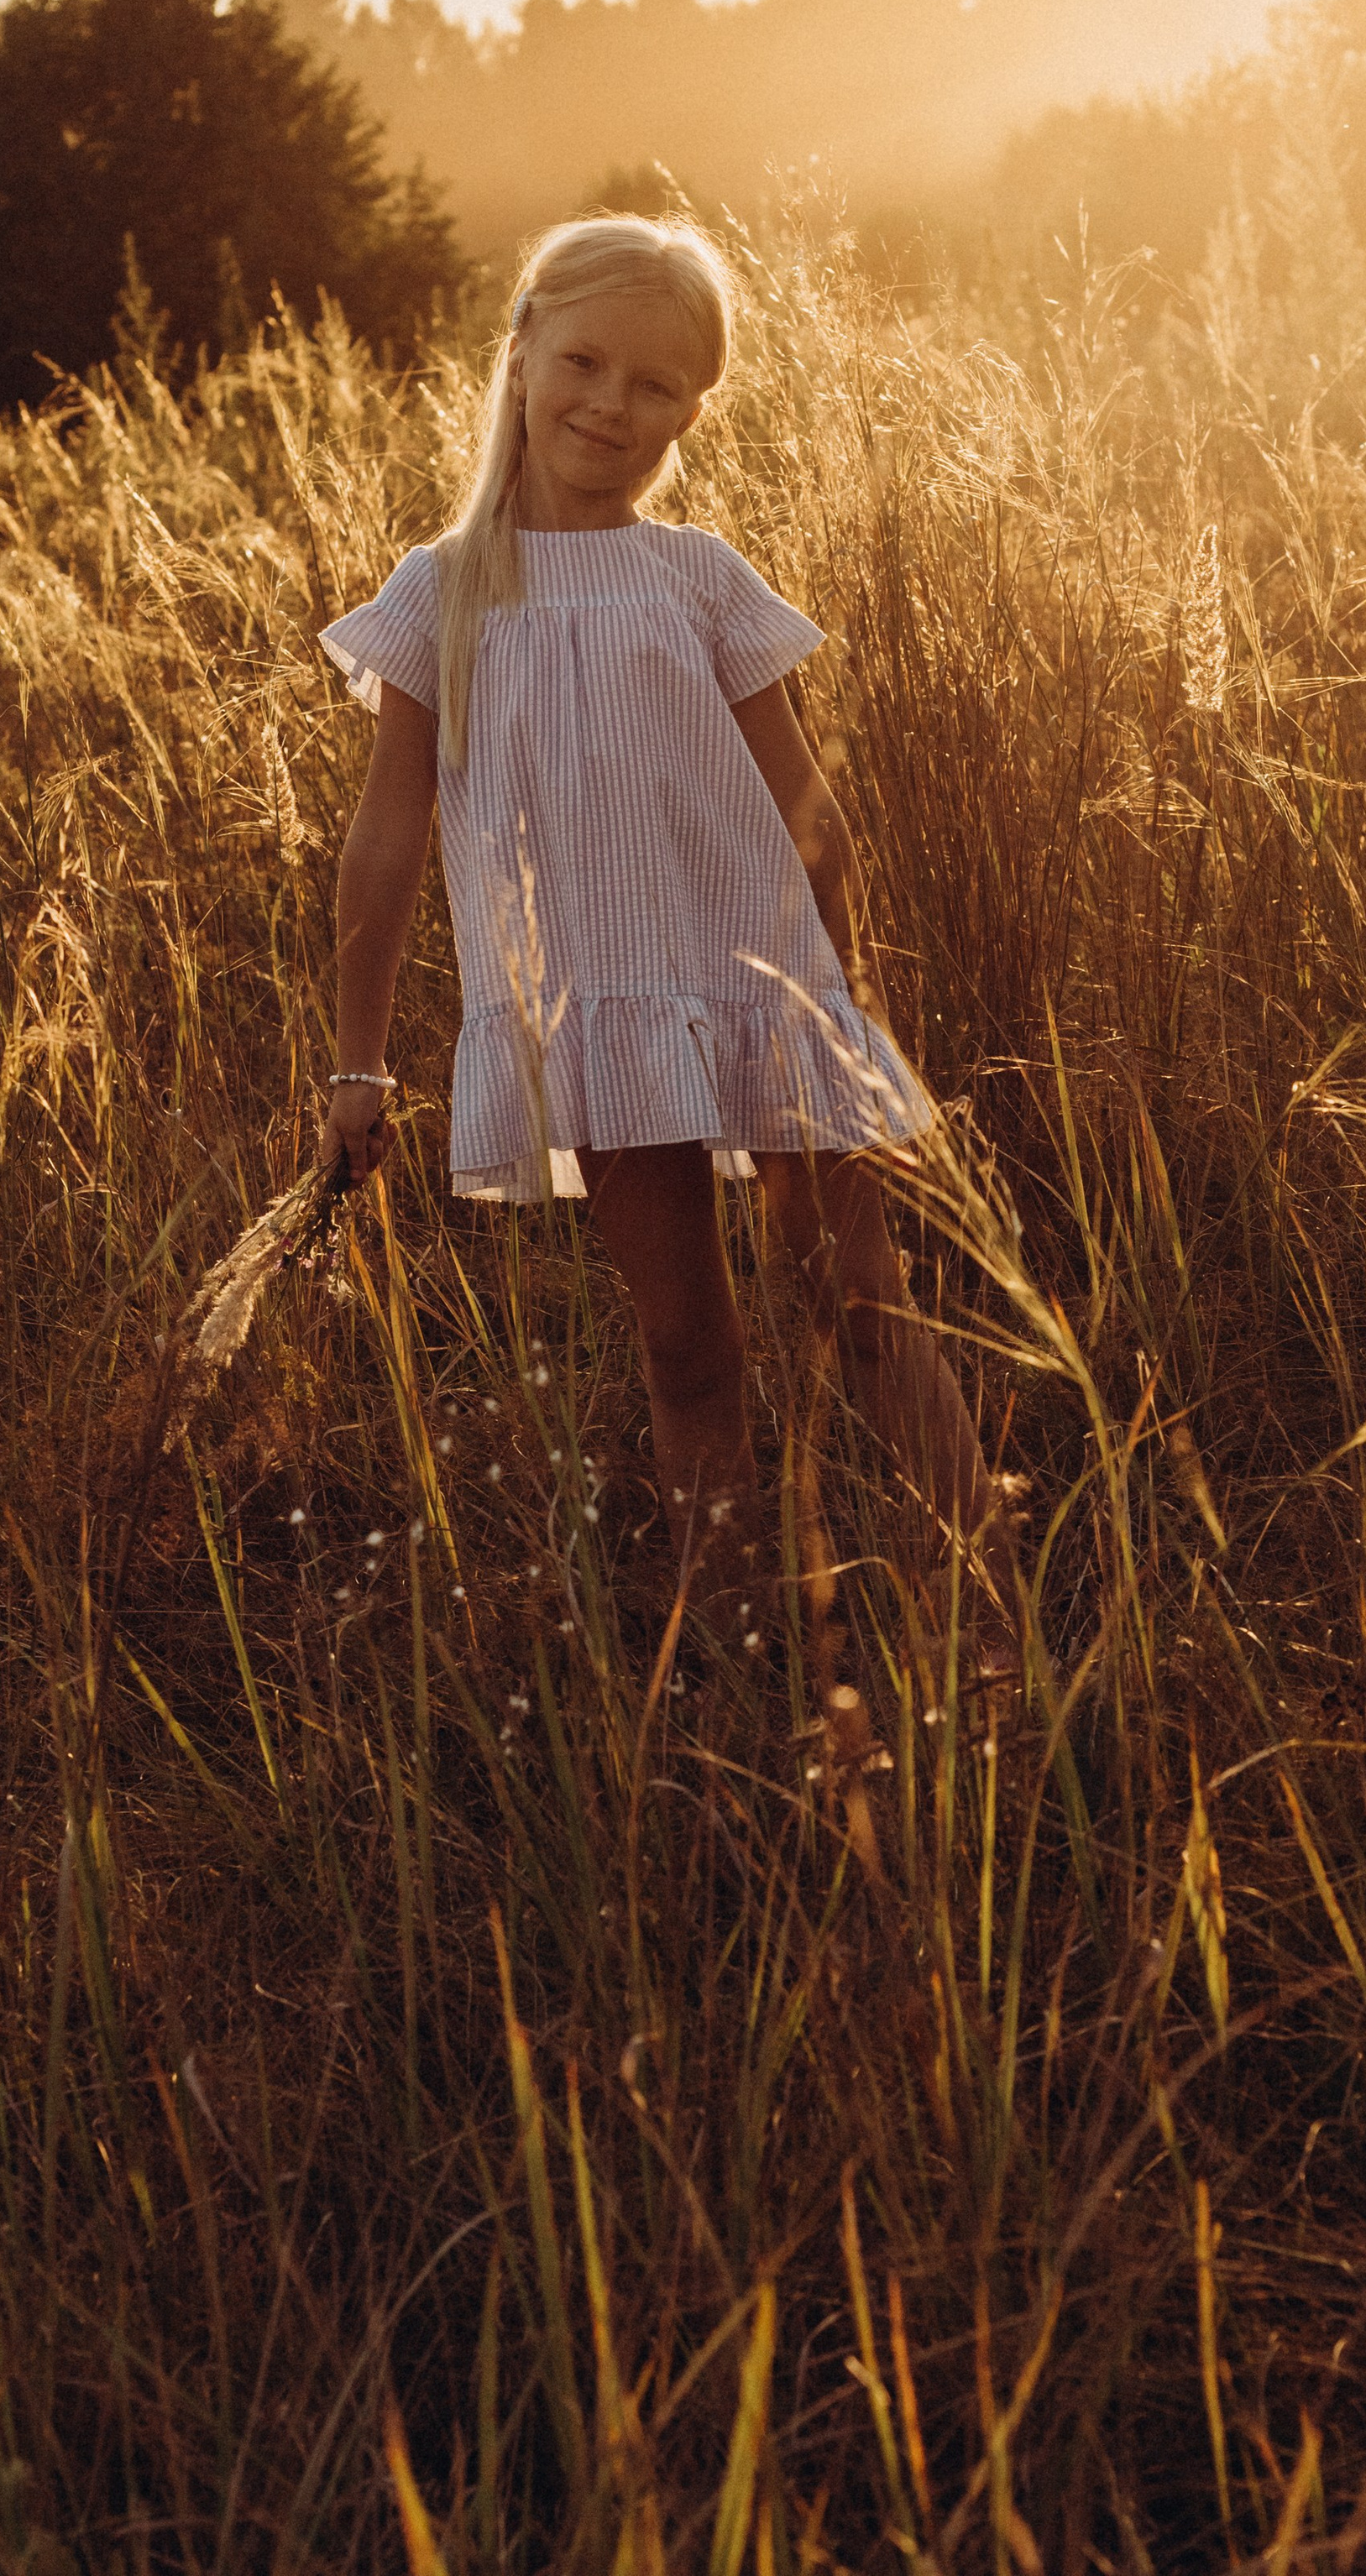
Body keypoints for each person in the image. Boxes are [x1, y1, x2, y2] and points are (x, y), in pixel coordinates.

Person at [315, 213, 1008, 1666]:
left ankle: (994, 1613)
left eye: (658, 387)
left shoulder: (698, 575)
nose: (610, 408)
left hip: (768, 993)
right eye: (583, 363)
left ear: (697, 409)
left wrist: (848, 1003)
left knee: (859, 1307)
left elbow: (811, 810)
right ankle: (750, 1652)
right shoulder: (440, 594)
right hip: (596, 1015)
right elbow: (382, 840)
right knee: (688, 1344)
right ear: (518, 354)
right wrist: (358, 1064)